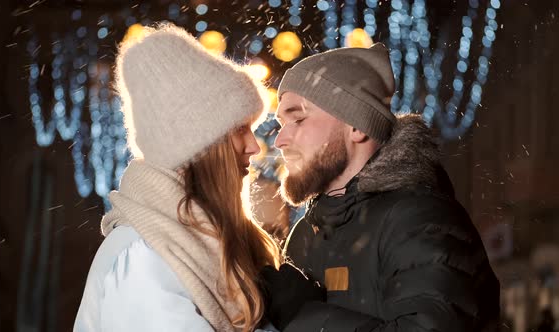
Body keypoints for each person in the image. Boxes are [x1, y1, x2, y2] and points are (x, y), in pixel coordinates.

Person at [259, 44, 500, 331]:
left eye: (297, 119)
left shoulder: (420, 220)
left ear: (356, 127)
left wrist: (304, 316)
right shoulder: (305, 235)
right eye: (281, 123)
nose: (279, 140)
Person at [74, 24, 280, 332]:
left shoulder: (191, 243)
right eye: (240, 130)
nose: (253, 146)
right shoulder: (143, 255)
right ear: (203, 147)